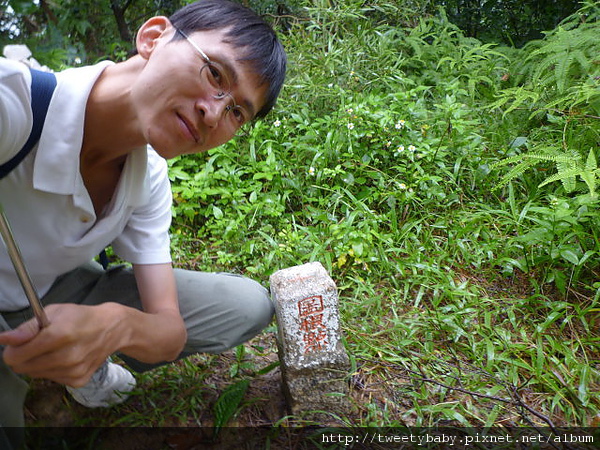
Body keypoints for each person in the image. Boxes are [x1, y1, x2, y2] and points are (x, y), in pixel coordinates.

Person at [0, 0, 286, 447]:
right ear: (153, 37)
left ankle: (79, 354)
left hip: (47, 287)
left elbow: (169, 331)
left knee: (247, 305)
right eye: (215, 74)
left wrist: (117, 325)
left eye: (237, 112)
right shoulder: (15, 107)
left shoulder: (147, 178)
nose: (213, 113)